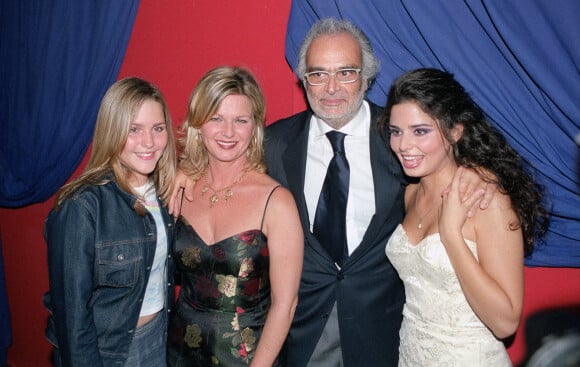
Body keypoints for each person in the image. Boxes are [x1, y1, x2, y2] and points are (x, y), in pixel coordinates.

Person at [170, 18, 495, 367]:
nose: (331, 88)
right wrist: (184, 170)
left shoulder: (399, 139)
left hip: (381, 334)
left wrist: (477, 172)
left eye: (346, 72)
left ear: (366, 78)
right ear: (303, 80)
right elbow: (227, 155)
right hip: (299, 337)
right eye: (318, 74)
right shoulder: (277, 144)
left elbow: (450, 151)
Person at [382, 68, 549, 366]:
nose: (404, 145)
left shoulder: (487, 200)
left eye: (420, 131)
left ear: (455, 132)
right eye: (396, 132)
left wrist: (450, 235)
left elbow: (505, 322)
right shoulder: (410, 195)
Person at [166, 66, 303, 366]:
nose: (228, 132)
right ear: (198, 124)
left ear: (254, 127)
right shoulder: (178, 187)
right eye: (216, 118)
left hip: (247, 357)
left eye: (240, 120)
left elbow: (285, 304)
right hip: (178, 353)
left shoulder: (276, 202)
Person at [43, 77, 177, 366]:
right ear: (112, 130)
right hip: (107, 352)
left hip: (160, 338)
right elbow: (72, 317)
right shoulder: (81, 206)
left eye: (158, 128)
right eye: (134, 130)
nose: (149, 142)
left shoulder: (166, 194)